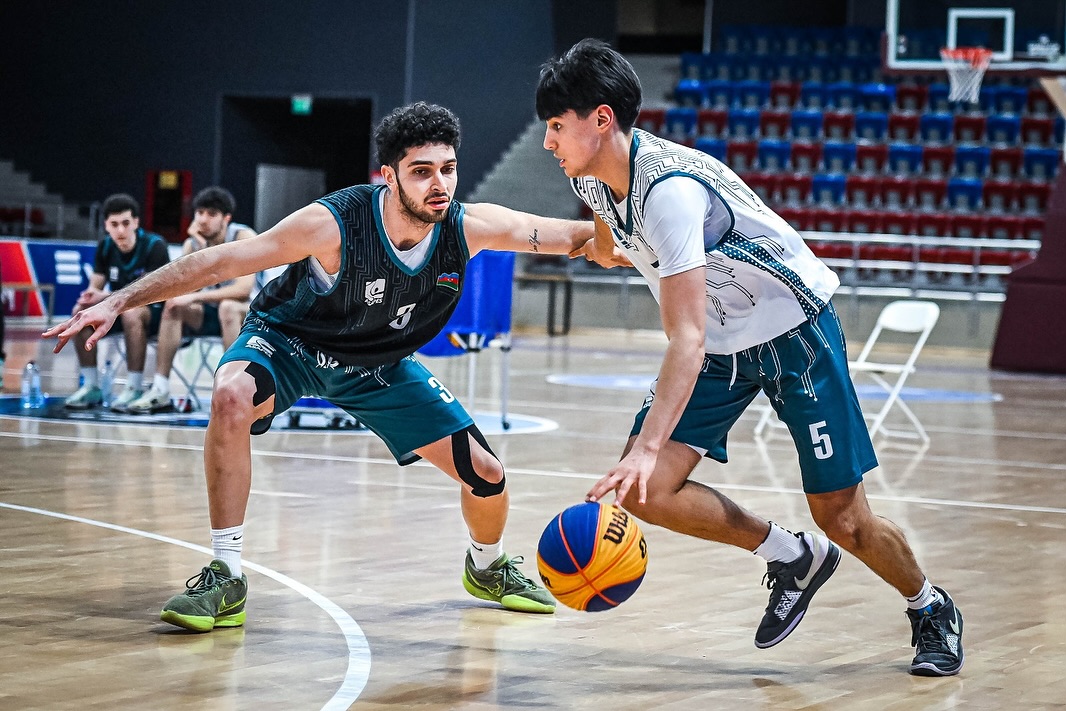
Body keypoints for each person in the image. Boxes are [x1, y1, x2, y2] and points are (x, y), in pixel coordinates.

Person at [45, 101, 598, 632]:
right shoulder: (334, 224)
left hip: (374, 363)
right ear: (389, 176)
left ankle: (487, 566)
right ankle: (225, 574)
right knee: (231, 395)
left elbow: (573, 237)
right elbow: (222, 260)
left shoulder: (469, 226)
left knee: (487, 473)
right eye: (422, 171)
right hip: (290, 345)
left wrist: (639, 241)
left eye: (448, 169)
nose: (440, 185)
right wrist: (121, 299)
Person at [535, 39, 963, 677]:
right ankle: (792, 555)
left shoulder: (669, 195)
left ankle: (930, 607)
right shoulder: (599, 180)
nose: (547, 142)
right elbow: (606, 242)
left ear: (601, 120)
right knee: (647, 493)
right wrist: (553, 241)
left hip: (794, 331)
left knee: (843, 516)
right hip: (724, 342)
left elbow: (686, 339)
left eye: (556, 127)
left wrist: (646, 446)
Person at [126, 187, 257, 414]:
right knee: (174, 306)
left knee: (227, 307)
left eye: (211, 214)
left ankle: (234, 388)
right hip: (209, 313)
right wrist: (201, 247)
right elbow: (184, 289)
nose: (203, 220)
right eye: (200, 212)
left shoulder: (243, 237)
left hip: (248, 316)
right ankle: (160, 388)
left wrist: (195, 296)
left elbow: (243, 290)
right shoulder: (192, 244)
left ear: (226, 218)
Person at [63, 194, 170, 411]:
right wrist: (88, 297)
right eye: (114, 225)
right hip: (118, 311)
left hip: (155, 314)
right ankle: (91, 384)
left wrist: (105, 298)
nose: (120, 230)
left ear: (136, 223)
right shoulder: (105, 247)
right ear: (106, 226)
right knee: (80, 312)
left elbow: (149, 293)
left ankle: (135, 386)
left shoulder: (154, 245)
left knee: (133, 312)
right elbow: (96, 286)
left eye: (125, 223)